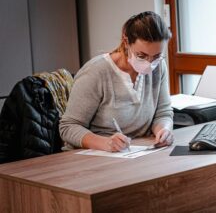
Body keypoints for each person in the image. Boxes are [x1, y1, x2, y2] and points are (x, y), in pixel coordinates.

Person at [59, 11, 174, 152]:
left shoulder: (159, 67)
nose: (150, 64)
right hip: (91, 156)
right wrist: (105, 143)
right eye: (141, 56)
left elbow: (163, 113)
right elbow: (68, 127)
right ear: (126, 42)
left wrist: (164, 130)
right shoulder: (96, 72)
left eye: (156, 56)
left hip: (135, 153)